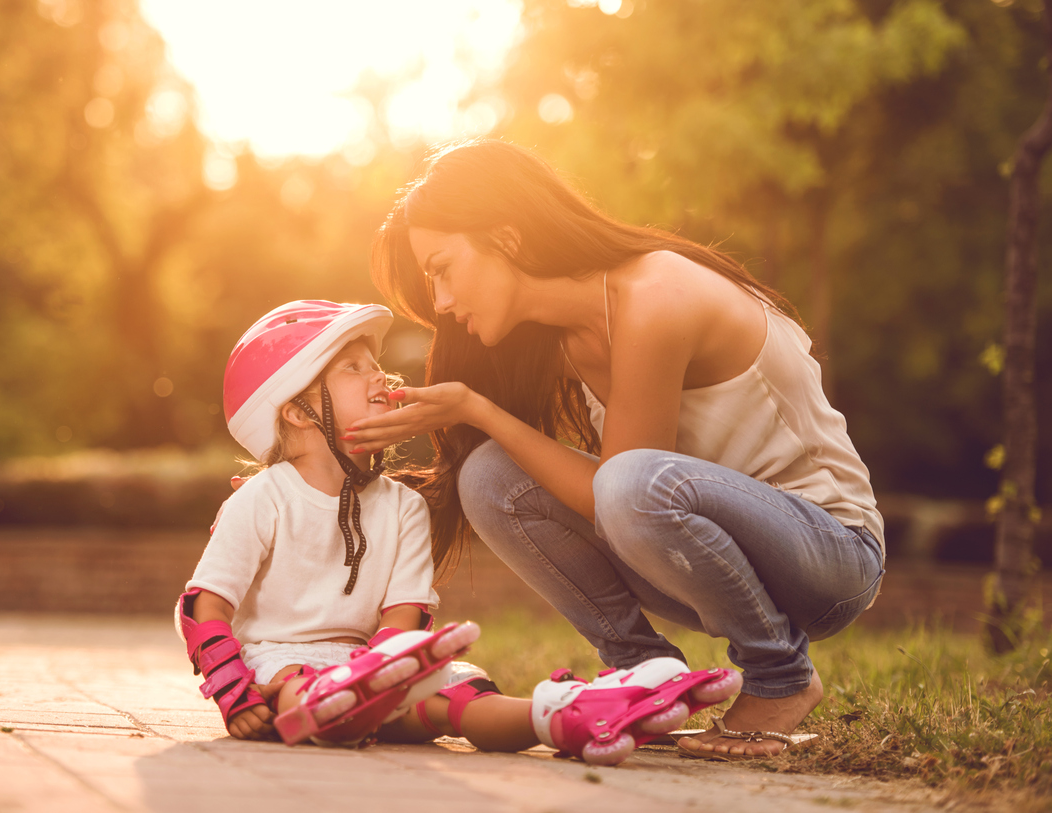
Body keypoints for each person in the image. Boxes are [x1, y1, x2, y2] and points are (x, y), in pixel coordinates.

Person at [344, 139, 886, 760]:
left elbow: (622, 491)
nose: (440, 301)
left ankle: (780, 676)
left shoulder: (655, 295)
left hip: (831, 556)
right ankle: (647, 679)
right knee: (489, 476)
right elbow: (616, 495)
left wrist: (478, 408)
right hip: (714, 552)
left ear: (508, 238)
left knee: (625, 482)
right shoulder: (566, 337)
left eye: (441, 268)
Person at [176, 299, 742, 764]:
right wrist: (231, 687)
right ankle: (330, 706)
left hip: (372, 664)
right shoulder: (261, 497)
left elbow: (403, 619)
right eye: (353, 368)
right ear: (297, 412)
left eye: (376, 365)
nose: (380, 377)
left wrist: (383, 675)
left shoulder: (402, 507)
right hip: (280, 665)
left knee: (459, 696)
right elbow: (206, 605)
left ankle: (569, 715)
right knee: (299, 682)